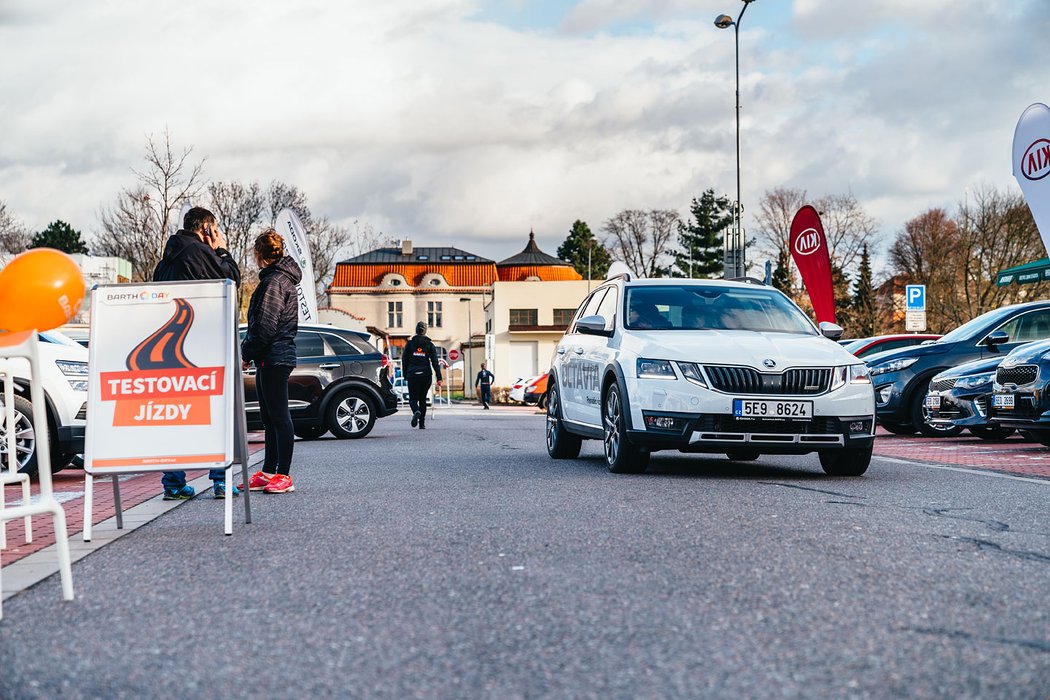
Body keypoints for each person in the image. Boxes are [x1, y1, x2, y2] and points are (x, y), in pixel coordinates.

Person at [153, 206, 242, 500]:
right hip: (204, 346)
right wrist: (223, 251)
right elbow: (230, 280)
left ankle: (174, 482)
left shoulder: (165, 261)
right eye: (213, 230)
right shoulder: (200, 253)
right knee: (213, 415)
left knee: (175, 419)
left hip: (169, 352)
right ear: (206, 229)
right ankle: (219, 481)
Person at [241, 229, 301, 494]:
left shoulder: (274, 282)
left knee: (278, 416)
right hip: (271, 356)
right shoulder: (277, 279)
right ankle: (268, 472)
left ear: (260, 254)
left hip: (276, 355)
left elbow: (265, 325)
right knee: (269, 417)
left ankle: (283, 475)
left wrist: (246, 352)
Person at [401, 321, 442, 429]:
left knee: (413, 399)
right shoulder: (429, 344)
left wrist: (405, 374)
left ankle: (416, 411)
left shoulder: (410, 344)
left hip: (413, 375)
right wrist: (439, 377)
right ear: (425, 331)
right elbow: (435, 362)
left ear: (416, 330)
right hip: (425, 375)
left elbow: (404, 360)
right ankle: (422, 423)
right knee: (423, 399)